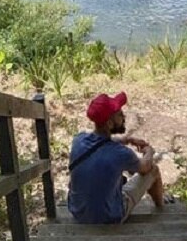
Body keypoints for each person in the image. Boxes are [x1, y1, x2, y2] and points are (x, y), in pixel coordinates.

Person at [67, 91, 164, 224]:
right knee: (153, 170)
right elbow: (145, 167)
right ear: (109, 123)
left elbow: (101, 143)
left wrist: (127, 139)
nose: (123, 116)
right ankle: (162, 208)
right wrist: (149, 152)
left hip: (78, 212)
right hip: (109, 217)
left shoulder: (78, 140)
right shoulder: (121, 154)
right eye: (119, 114)